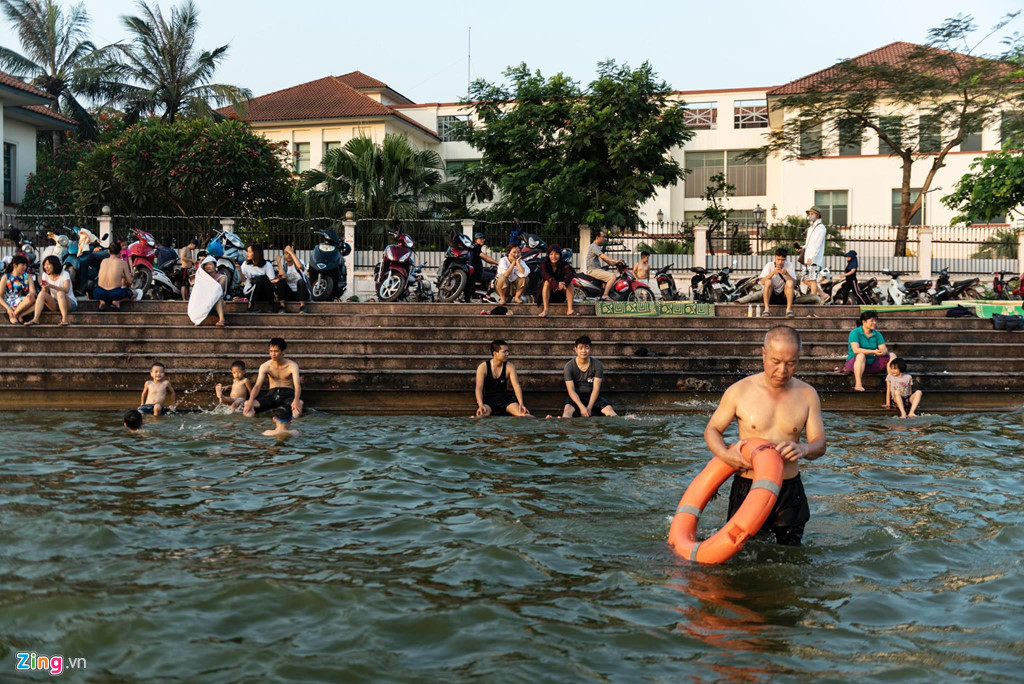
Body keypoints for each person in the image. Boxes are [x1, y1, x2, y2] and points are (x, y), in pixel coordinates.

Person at [703, 325, 826, 546]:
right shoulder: (739, 391)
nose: (783, 370)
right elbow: (712, 430)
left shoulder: (808, 394)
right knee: (742, 550)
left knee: (790, 555)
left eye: (791, 363)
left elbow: (820, 443)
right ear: (763, 354)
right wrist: (725, 455)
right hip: (747, 486)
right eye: (776, 361)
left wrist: (804, 449)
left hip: (788, 489)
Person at [243, 337, 303, 418]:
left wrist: (296, 400)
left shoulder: (292, 366)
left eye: (276, 351)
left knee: (296, 412)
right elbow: (257, 386)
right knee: (247, 405)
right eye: (271, 351)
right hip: (271, 395)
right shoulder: (265, 366)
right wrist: (250, 400)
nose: (273, 354)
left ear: (283, 352)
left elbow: (297, 385)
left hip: (287, 395)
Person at [563, 335, 616, 417]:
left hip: (593, 397)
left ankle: (621, 424)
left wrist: (589, 407)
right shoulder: (569, 366)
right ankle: (565, 428)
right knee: (567, 409)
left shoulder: (597, 365)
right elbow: (571, 390)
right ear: (576, 349)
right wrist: (581, 407)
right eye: (581, 348)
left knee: (609, 409)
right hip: (576, 397)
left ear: (590, 349)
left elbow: (596, 389)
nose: (584, 351)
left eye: (586, 348)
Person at [474, 339, 531, 417]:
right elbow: (478, 388)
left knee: (523, 414)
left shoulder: (509, 366)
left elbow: (516, 386)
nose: (507, 354)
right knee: (481, 415)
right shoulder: (483, 367)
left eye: (508, 351)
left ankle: (545, 421)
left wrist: (521, 403)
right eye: (504, 352)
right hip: (489, 400)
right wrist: (480, 405)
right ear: (495, 353)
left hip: (505, 399)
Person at [845, 310, 892, 392]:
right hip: (855, 363)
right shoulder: (855, 333)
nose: (874, 323)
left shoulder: (877, 334)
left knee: (892, 356)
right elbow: (856, 350)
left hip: (872, 362)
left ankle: (892, 384)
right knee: (860, 355)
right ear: (864, 322)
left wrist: (882, 352)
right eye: (871, 321)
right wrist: (873, 352)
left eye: (875, 320)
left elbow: (884, 348)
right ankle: (858, 384)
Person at [26, 255, 76, 326]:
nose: (46, 267)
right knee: (41, 294)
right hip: (55, 304)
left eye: (48, 264)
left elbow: (66, 289)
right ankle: (35, 319)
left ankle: (65, 319)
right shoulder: (45, 275)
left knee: (60, 293)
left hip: (70, 303)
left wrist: (51, 286)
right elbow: (44, 292)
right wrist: (44, 287)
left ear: (55, 265)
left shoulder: (64, 274)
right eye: (45, 265)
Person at [92, 241, 134, 310]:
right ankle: (117, 302)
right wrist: (127, 286)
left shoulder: (103, 261)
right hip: (115, 294)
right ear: (120, 252)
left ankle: (102, 301)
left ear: (109, 252)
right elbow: (130, 282)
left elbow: (99, 277)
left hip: (100, 293)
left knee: (95, 291)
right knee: (134, 293)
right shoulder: (123, 263)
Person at [538, 245, 577, 317]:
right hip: (546, 294)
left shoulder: (564, 264)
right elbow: (545, 275)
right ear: (548, 255)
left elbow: (570, 274)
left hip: (560, 293)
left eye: (556, 254)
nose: (554, 256)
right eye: (551, 254)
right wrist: (556, 284)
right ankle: (545, 310)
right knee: (547, 282)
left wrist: (564, 284)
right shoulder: (544, 264)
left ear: (560, 255)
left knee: (570, 283)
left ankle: (570, 309)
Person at [758, 248, 797, 318]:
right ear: (775, 257)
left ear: (785, 259)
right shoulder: (769, 265)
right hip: (772, 296)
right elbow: (762, 281)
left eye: (783, 260)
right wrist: (772, 273)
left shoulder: (789, 265)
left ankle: (788, 310)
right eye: (778, 259)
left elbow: (794, 283)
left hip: (784, 295)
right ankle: (766, 309)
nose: (780, 262)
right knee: (768, 282)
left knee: (790, 282)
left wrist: (787, 274)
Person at [798, 207, 827, 298]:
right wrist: (802, 247)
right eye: (809, 214)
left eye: (812, 213)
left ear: (817, 215)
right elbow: (809, 243)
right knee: (804, 279)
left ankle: (813, 300)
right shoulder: (811, 227)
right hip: (808, 258)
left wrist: (811, 256)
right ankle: (822, 294)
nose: (810, 215)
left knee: (812, 279)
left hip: (814, 259)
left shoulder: (821, 228)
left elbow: (817, 244)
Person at [0, 254, 36, 324]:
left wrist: (30, 294)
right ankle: (15, 314)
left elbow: (32, 291)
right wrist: (8, 308)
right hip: (11, 302)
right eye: (22, 265)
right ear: (15, 265)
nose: (25, 267)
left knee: (38, 301)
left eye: (25, 265)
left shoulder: (28, 276)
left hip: (26, 300)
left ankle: (15, 315)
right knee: (29, 299)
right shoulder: (6, 277)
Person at [241, 244, 276, 312]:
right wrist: (239, 270)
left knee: (265, 280)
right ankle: (251, 306)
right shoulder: (245, 264)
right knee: (258, 281)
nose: (247, 254)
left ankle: (271, 306)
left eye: (249, 252)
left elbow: (272, 280)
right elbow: (244, 281)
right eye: (247, 251)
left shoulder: (267, 265)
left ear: (256, 253)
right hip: (250, 292)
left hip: (264, 293)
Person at [274, 245, 309, 313]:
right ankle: (282, 307)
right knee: (281, 281)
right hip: (289, 294)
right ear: (284, 255)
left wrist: (291, 252)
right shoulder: (284, 266)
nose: (289, 255)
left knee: (300, 281)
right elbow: (283, 276)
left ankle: (302, 306)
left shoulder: (299, 262)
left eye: (290, 253)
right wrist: (278, 263)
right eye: (286, 253)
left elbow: (300, 267)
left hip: (301, 293)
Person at [586, 230, 621, 300]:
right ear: (597, 237)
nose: (604, 238)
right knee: (613, 277)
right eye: (603, 237)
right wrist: (615, 260)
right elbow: (603, 256)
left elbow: (605, 260)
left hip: (597, 270)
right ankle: (605, 295)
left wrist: (614, 264)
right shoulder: (594, 246)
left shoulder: (596, 247)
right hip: (593, 270)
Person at [466, 232, 499, 302]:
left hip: (476, 270)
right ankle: (488, 294)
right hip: (477, 272)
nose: (482, 240)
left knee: (489, 270)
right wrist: (498, 263)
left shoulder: (473, 248)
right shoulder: (476, 247)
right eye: (480, 238)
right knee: (494, 277)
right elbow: (486, 258)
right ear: (475, 240)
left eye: (483, 238)